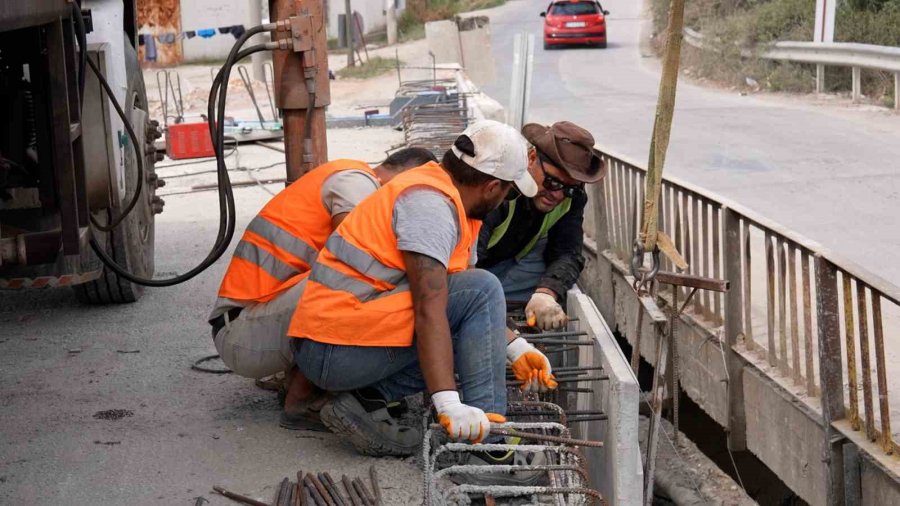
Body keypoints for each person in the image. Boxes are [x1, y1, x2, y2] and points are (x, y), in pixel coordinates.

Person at [288, 121, 557, 475]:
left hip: (342, 341)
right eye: (507, 192)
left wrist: (515, 346)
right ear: (492, 186)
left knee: (475, 296)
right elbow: (432, 308)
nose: (504, 201)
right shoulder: (429, 205)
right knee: (484, 287)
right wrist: (448, 403)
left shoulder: (450, 199)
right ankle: (487, 447)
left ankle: (367, 399)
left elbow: (458, 298)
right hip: (333, 352)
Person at [208, 148, 438, 430]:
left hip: (255, 321)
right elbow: (357, 259)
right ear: (409, 177)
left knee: (362, 280)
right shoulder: (355, 181)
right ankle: (302, 400)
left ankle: (305, 381)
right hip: (243, 333)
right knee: (367, 278)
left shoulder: (352, 177)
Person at [477, 121, 607, 330]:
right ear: (531, 159)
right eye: (552, 182)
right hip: (473, 267)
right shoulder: (501, 187)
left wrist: (546, 293)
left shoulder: (571, 198)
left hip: (513, 267)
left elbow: (569, 252)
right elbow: (467, 263)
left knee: (557, 274)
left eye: (568, 188)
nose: (557, 194)